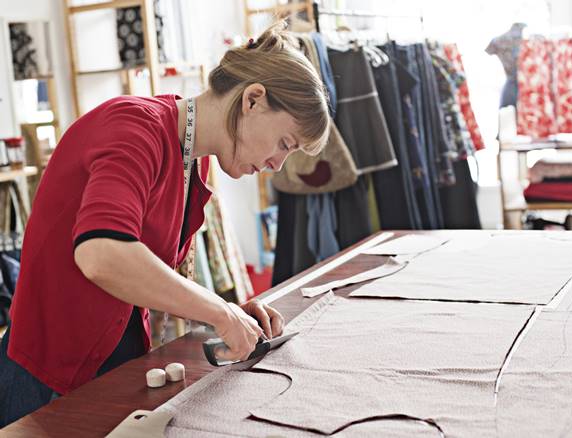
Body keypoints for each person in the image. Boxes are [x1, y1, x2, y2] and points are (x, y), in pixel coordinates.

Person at [0, 22, 330, 427]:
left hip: (111, 361)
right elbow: (102, 253)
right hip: (49, 373)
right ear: (253, 100)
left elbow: (147, 274)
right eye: (285, 144)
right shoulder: (133, 128)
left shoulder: (196, 159)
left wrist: (227, 312)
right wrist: (220, 313)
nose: (278, 165)